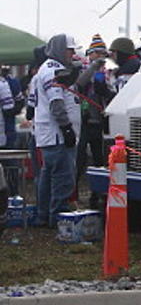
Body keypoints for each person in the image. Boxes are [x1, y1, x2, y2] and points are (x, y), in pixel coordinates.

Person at [31, 34, 84, 227]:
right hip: (57, 135)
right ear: (60, 50)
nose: (72, 54)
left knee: (48, 175)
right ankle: (58, 216)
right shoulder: (54, 71)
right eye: (70, 50)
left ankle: (44, 214)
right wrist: (67, 129)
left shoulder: (48, 69)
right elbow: (56, 103)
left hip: (49, 134)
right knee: (62, 176)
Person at [76, 34, 115, 205]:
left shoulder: (108, 71)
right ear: (89, 53)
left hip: (99, 120)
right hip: (83, 119)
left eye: (102, 53)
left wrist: (105, 91)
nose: (100, 57)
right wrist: (92, 68)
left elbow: (111, 93)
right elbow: (79, 83)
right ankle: (73, 194)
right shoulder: (82, 67)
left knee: (100, 160)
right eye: (96, 53)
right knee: (79, 159)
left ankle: (97, 196)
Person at [2, 65, 26, 195]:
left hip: (7, 132)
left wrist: (9, 111)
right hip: (7, 131)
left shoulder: (11, 82)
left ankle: (13, 197)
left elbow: (19, 103)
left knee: (10, 167)